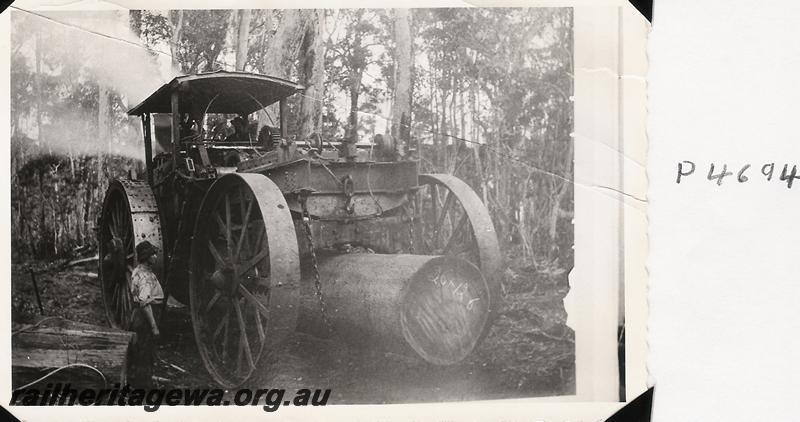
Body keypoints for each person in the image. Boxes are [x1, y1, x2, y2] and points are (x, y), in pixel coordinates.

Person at [127, 240, 164, 388]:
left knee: (137, 349)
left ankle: (134, 381)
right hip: (146, 317)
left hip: (136, 315)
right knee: (145, 352)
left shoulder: (137, 271)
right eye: (153, 254)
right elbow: (144, 302)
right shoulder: (146, 278)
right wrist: (154, 326)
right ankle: (143, 386)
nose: (155, 256)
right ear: (146, 257)